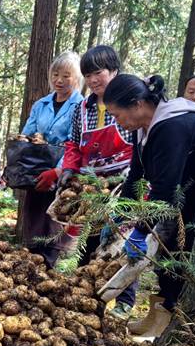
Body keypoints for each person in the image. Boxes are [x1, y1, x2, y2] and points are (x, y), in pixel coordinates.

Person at [104, 74, 195, 338]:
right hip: (177, 199)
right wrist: (121, 214)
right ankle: (158, 315)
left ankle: (170, 319)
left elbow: (164, 188)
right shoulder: (143, 129)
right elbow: (135, 176)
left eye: (117, 115)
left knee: (177, 254)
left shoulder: (172, 125)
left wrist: (141, 231)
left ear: (138, 104)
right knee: (166, 255)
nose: (117, 122)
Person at [59, 45, 137, 317]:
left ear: (114, 71)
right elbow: (74, 143)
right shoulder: (82, 109)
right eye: (88, 75)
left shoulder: (131, 99)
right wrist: (69, 169)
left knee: (121, 243)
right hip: (94, 184)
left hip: (126, 182)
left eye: (99, 73)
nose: (94, 80)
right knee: (90, 237)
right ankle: (82, 291)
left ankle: (125, 300)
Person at [18, 51, 84, 268]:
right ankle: (31, 265)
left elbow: (76, 144)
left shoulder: (81, 107)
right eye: (56, 74)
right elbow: (27, 135)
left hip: (63, 174)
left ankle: (49, 267)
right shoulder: (41, 104)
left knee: (54, 222)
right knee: (34, 219)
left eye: (66, 75)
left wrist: (58, 170)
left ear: (77, 78)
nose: (59, 80)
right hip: (37, 171)